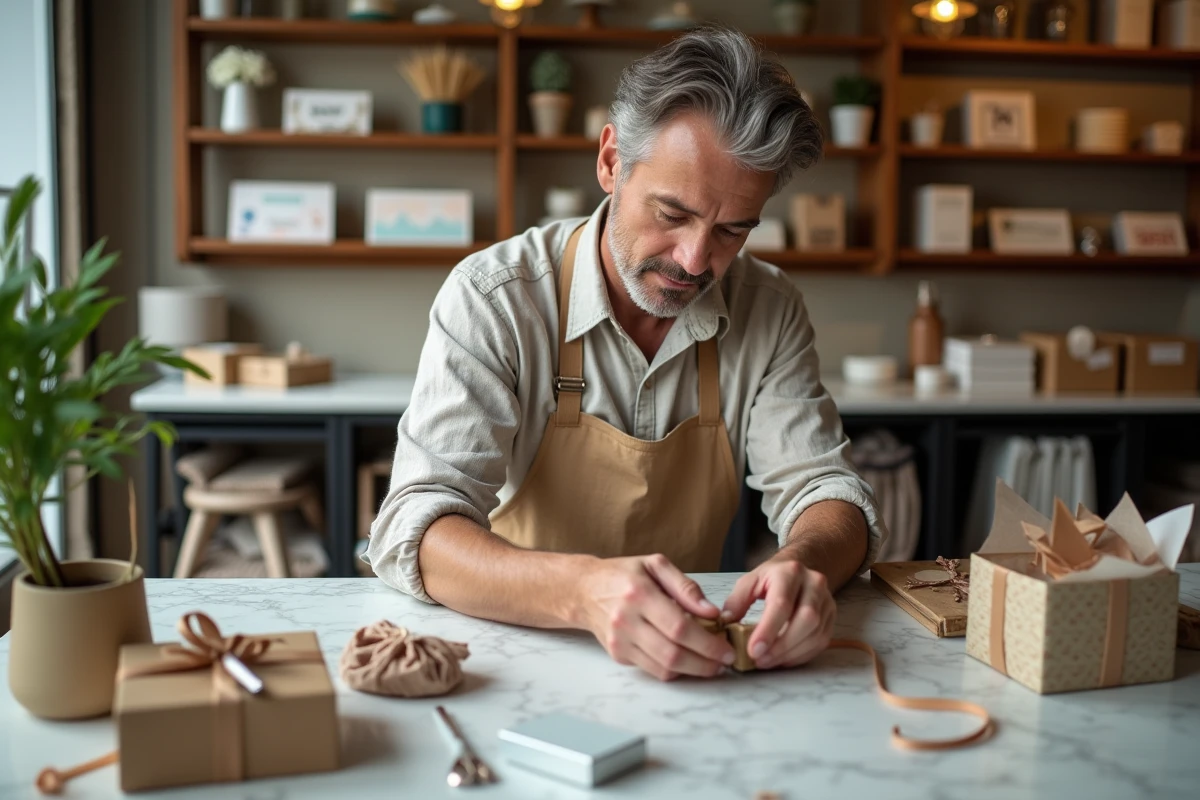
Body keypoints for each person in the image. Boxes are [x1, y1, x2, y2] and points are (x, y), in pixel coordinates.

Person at [366, 26, 885, 681]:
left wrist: (804, 564)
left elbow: (825, 490)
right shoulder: (496, 297)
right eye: (671, 214)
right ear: (611, 160)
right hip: (510, 656)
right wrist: (582, 592)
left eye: (732, 231)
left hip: (688, 666)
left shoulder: (769, 308)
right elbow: (416, 526)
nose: (696, 260)